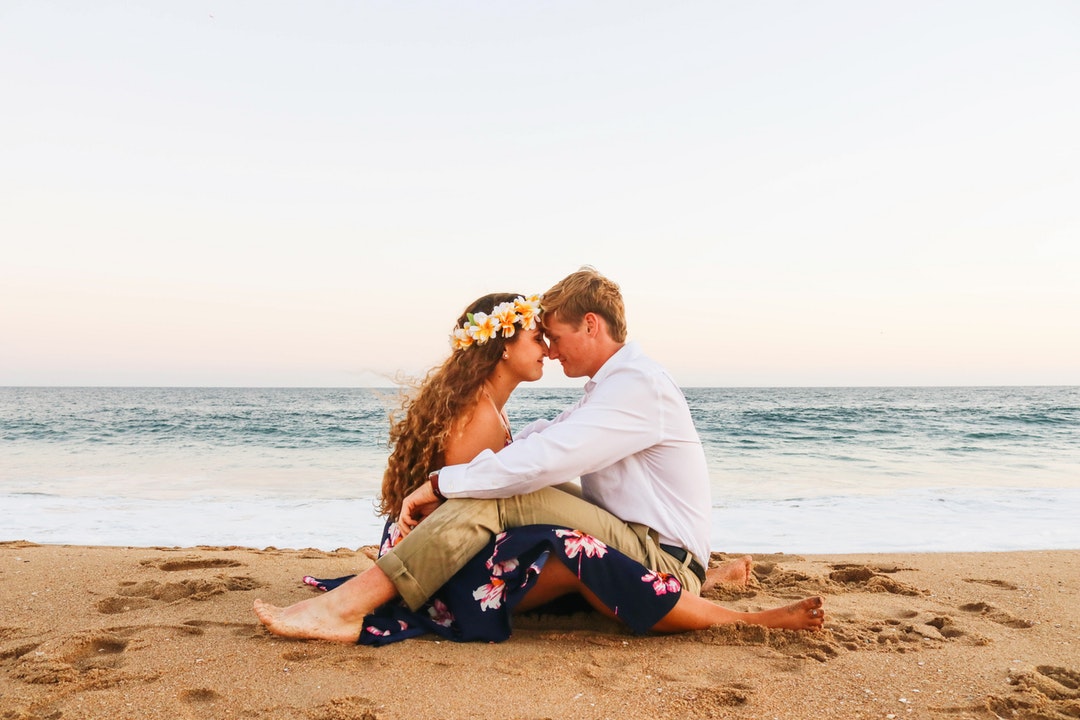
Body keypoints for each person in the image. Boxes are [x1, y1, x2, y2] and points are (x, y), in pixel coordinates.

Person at [254, 271, 824, 642]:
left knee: (510, 492)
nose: (549, 349)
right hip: (650, 542)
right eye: (540, 338)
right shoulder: (611, 387)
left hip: (660, 556)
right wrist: (452, 478)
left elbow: (545, 458)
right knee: (502, 490)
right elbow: (543, 438)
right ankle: (358, 599)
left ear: (591, 325)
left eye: (555, 334)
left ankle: (352, 605)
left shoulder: (637, 387)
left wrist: (440, 484)